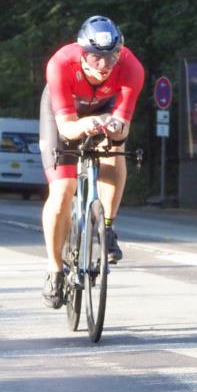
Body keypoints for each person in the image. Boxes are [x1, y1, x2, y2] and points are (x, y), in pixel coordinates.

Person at [39, 16, 144, 309]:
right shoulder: (61, 63)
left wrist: (114, 126)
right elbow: (67, 129)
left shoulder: (131, 67)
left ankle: (107, 227)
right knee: (63, 189)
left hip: (105, 108)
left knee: (115, 148)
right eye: (95, 57)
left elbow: (122, 128)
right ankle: (55, 270)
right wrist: (86, 124)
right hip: (64, 115)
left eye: (111, 56)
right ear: (81, 52)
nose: (103, 65)